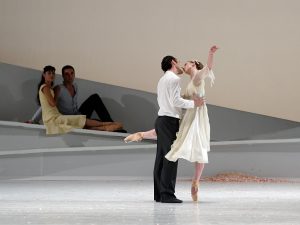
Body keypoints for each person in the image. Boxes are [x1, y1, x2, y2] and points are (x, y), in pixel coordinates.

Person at [124, 45, 219, 202]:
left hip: (164, 118)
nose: (182, 65)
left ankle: (160, 194)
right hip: (172, 119)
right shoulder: (175, 79)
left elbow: (206, 69)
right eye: (180, 62)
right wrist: (194, 104)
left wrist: (210, 54)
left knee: (162, 158)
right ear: (173, 63)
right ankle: (167, 195)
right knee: (171, 157)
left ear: (194, 65)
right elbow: (176, 101)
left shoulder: (163, 80)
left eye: (186, 63)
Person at [38, 65, 123, 135]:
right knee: (95, 123)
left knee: (94, 98)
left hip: (77, 114)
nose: (70, 76)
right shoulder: (58, 89)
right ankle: (113, 128)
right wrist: (33, 120)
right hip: (67, 117)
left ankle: (112, 124)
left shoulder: (75, 86)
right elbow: (46, 104)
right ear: (63, 76)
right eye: (67, 74)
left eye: (72, 73)